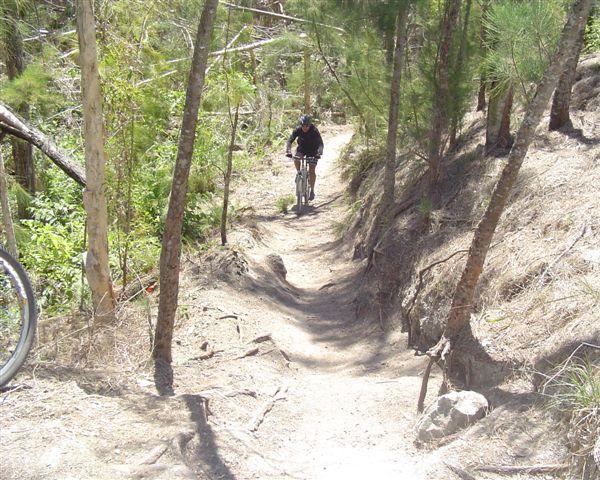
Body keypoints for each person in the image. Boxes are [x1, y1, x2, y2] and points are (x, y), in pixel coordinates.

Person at [286, 115, 324, 200]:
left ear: (310, 125)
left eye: (307, 125)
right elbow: (290, 140)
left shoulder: (314, 130)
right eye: (303, 125)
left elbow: (320, 143)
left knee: (311, 170)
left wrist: (319, 153)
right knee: (296, 158)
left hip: (313, 150)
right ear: (301, 125)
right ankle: (299, 173)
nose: (305, 128)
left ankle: (312, 190)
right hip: (302, 149)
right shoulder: (298, 129)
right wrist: (288, 151)